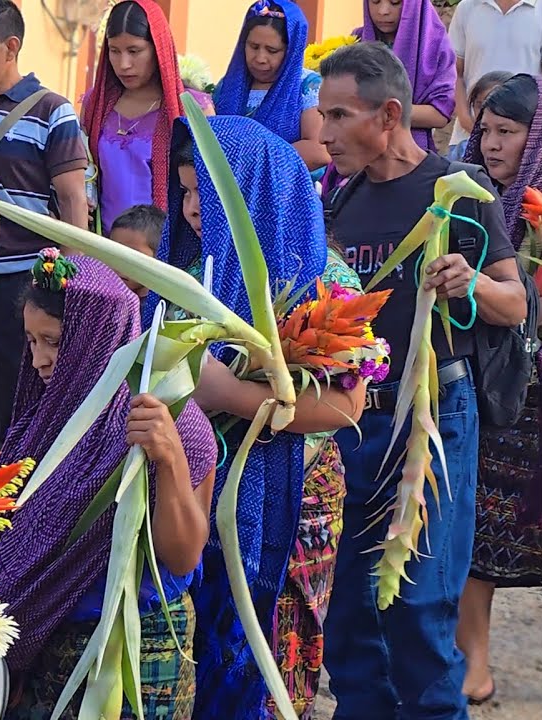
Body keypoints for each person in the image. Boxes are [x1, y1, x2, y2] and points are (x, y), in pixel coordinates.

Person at [317, 42, 526, 720]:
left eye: (339, 115)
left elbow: (515, 304)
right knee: (349, 612)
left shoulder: (458, 191)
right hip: (354, 421)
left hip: (435, 422)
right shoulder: (339, 203)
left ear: (389, 115)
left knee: (419, 605)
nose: (324, 132)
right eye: (322, 114)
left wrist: (471, 282)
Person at [152, 115, 365, 719]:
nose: (193, 209)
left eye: (206, 192)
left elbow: (345, 405)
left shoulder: (321, 280)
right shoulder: (186, 275)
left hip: (292, 501)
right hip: (193, 492)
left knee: (271, 655)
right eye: (185, 192)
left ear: (255, 189)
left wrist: (226, 395)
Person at [0, 252, 217, 720]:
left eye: (53, 342)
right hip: (41, 650)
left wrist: (169, 459)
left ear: (97, 336)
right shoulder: (43, 421)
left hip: (139, 653)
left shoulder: (169, 422)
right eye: (31, 341)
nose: (38, 359)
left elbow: (184, 556)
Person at [0, 0, 91, 466]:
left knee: (13, 405)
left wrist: (68, 287)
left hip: (22, 283)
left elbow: (72, 201)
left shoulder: (52, 111)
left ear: (10, 47)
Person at [457, 73, 542, 706]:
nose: (491, 143)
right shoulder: (467, 200)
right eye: (485, 130)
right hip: (495, 394)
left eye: (508, 132)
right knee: (479, 532)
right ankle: (475, 666)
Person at [83, 0, 214, 230]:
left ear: (158, 49)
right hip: (103, 242)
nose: (124, 64)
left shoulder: (192, 109)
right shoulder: (96, 105)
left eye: (134, 51)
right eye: (114, 51)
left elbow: (207, 185)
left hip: (165, 242)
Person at [213, 0, 329, 171]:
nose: (260, 58)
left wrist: (251, 162)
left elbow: (319, 150)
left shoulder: (307, 86)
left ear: (291, 51)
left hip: (286, 185)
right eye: (253, 47)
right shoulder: (228, 87)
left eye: (272, 51)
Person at [447, 0, 542, 163]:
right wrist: (468, 121)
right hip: (466, 137)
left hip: (521, 143)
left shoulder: (541, 8)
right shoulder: (468, 7)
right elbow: (453, 72)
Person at [354, 0, 457, 153]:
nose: (383, 11)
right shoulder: (356, 41)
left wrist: (379, 112)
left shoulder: (434, 45)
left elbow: (439, 114)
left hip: (410, 152)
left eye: (395, 2)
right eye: (375, 1)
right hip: (360, 148)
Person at [447, 70, 515, 160]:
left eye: (496, 105)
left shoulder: (521, 149)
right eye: (481, 106)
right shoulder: (462, 150)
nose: (486, 112)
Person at [108, 204, 167, 297]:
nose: (119, 265)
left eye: (133, 256)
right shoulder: (101, 296)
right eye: (114, 253)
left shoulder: (166, 303)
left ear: (158, 257)